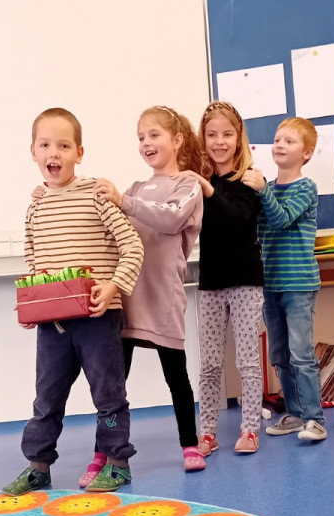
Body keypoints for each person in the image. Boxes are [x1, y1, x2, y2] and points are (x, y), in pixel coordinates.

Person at [4, 108, 144, 496]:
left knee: (108, 396)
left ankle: (118, 464)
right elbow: (35, 262)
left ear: (79, 153)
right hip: (53, 325)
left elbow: (133, 246)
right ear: (33, 151)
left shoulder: (95, 196)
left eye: (64, 146)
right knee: (46, 399)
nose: (55, 153)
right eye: (46, 145)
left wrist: (113, 288)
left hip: (98, 318)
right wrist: (32, 305)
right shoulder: (36, 206)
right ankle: (38, 467)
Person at [84, 105, 206, 480]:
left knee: (176, 378)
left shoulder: (188, 185)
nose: (146, 143)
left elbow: (170, 218)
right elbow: (109, 227)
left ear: (177, 140)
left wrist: (124, 201)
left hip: (163, 299)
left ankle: (190, 444)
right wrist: (53, 195)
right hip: (126, 300)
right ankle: (102, 452)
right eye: (141, 137)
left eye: (154, 135)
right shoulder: (135, 189)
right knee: (112, 385)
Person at [181, 101, 264, 456]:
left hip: (246, 281)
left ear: (238, 137)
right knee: (210, 364)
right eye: (212, 134)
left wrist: (208, 189)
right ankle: (208, 433)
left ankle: (250, 430)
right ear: (203, 138)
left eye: (227, 134)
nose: (219, 142)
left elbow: (237, 220)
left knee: (247, 361)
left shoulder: (249, 180)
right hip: (211, 282)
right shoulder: (196, 182)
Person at [241, 117, 326, 442]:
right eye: (278, 139)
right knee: (279, 355)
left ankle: (315, 419)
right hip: (270, 284)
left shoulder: (306, 188)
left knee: (301, 354)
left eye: (289, 141)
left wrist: (263, 190)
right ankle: (294, 414)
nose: (280, 145)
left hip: (299, 285)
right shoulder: (266, 190)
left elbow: (281, 219)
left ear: (306, 153)